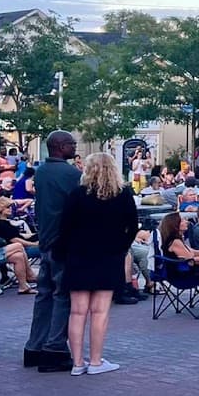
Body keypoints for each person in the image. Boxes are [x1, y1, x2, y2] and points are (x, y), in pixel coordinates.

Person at [56, 152, 137, 376]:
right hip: (108, 256)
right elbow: (132, 226)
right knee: (100, 311)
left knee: (77, 312)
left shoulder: (77, 194)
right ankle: (96, 361)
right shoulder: (122, 195)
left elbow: (64, 228)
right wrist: (120, 247)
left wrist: (65, 252)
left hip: (79, 256)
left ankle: (77, 362)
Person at [25, 131, 80, 374]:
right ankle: (55, 347)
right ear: (59, 147)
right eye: (71, 144)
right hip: (63, 243)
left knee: (43, 294)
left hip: (46, 239)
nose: (74, 147)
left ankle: (34, 346)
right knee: (62, 295)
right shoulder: (72, 175)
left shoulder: (41, 172)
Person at [0, 194, 38, 294]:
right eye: (8, 207)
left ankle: (23, 286)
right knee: (42, 248)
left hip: (16, 248)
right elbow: (15, 240)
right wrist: (33, 244)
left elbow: (19, 236)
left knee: (18, 256)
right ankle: (30, 275)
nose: (11, 209)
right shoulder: (0, 224)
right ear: (1, 210)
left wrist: (35, 237)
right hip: (14, 247)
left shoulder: (5, 222)